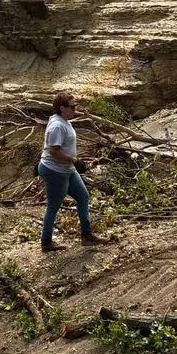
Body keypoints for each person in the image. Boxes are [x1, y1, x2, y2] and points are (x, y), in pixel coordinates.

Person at [37, 90, 108, 252]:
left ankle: (87, 236)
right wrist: (74, 160)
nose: (75, 109)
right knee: (53, 206)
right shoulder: (57, 126)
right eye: (73, 107)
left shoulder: (62, 120)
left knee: (83, 197)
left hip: (66, 169)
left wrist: (75, 161)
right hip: (56, 171)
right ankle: (46, 242)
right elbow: (53, 151)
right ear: (62, 108)